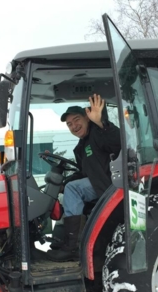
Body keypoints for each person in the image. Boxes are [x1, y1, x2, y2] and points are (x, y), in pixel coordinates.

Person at [47, 94, 121, 262]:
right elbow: (83, 172)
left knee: (73, 190)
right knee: (66, 190)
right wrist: (63, 183)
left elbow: (117, 141)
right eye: (69, 124)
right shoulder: (80, 147)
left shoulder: (98, 133)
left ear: (88, 118)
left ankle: (71, 247)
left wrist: (101, 123)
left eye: (77, 120)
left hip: (109, 185)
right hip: (95, 184)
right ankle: (62, 239)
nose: (74, 126)